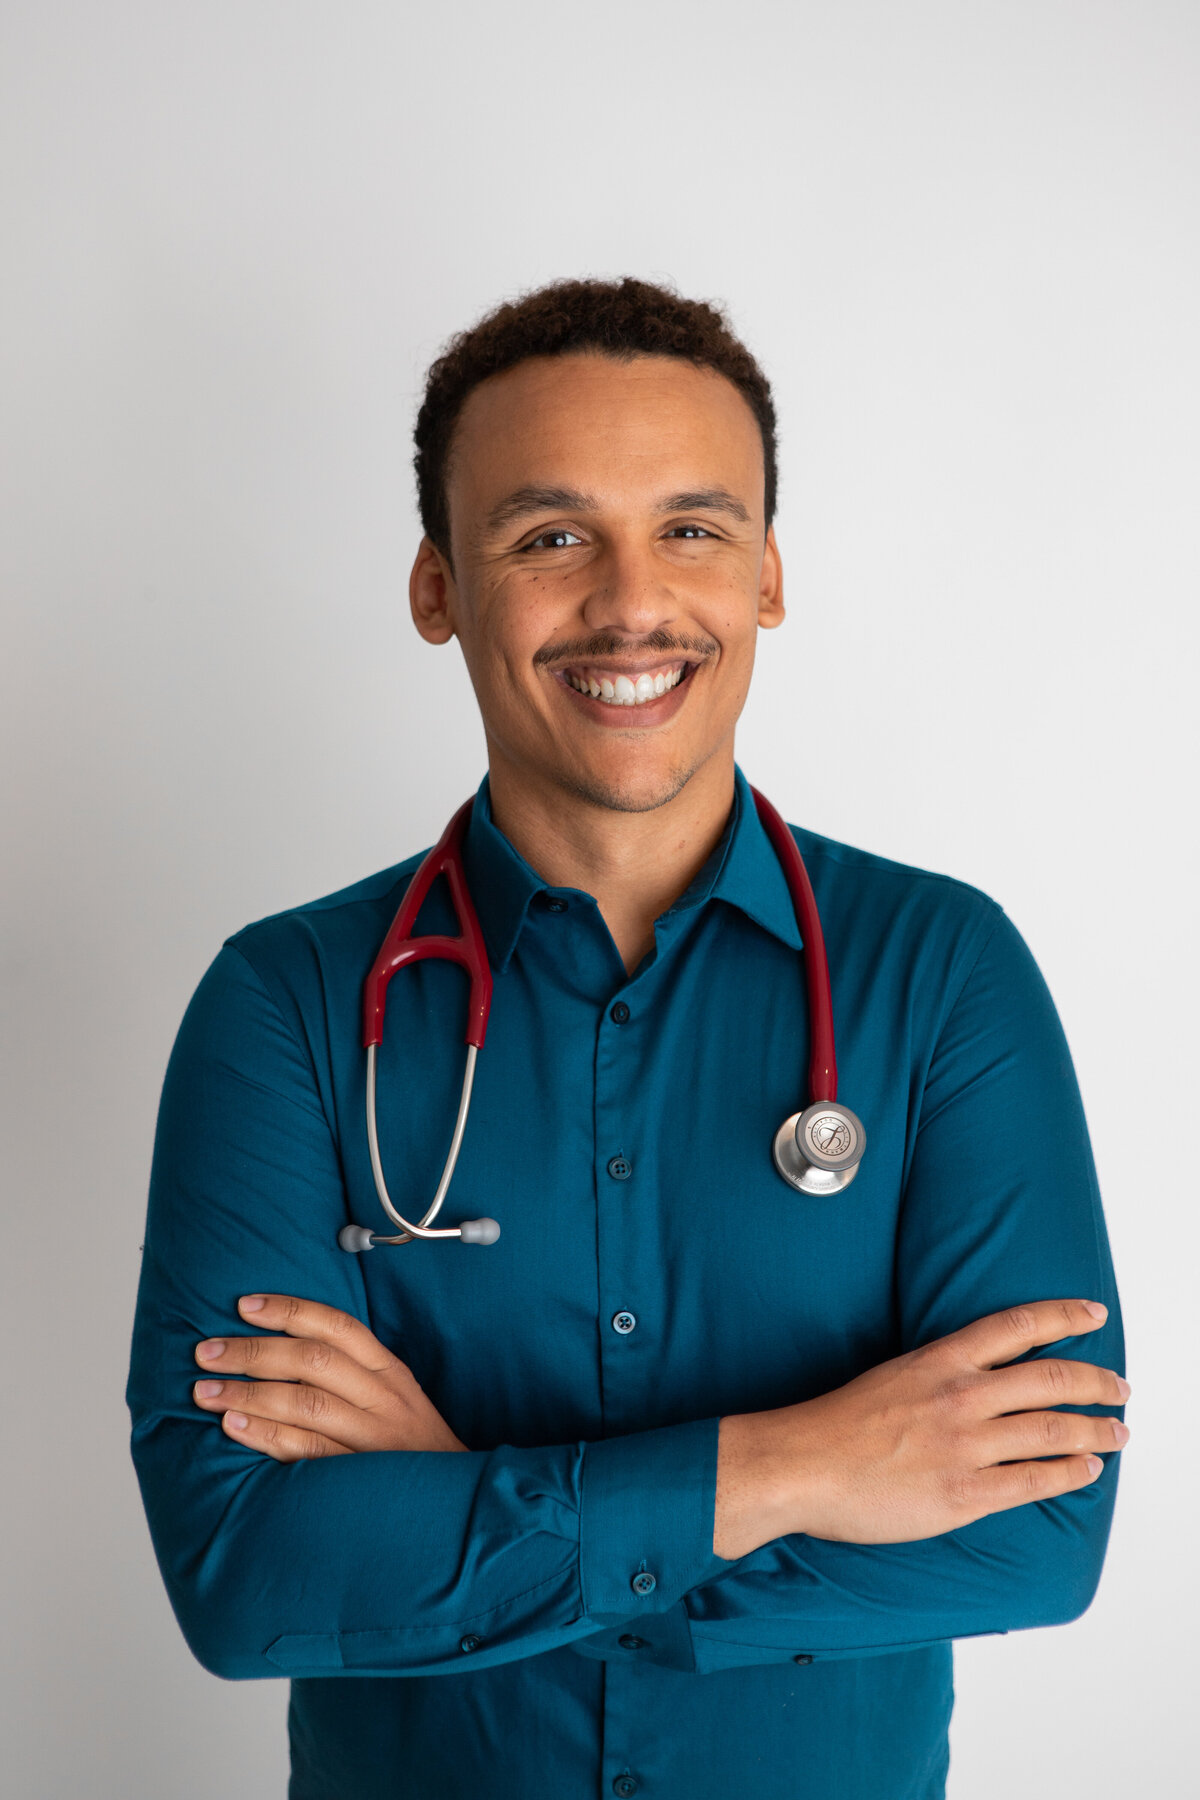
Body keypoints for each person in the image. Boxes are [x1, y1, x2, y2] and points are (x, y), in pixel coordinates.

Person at [127, 277, 1128, 1800]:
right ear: (437, 586)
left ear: (770, 574)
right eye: (549, 537)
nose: (629, 601)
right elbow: (250, 1573)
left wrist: (457, 1508)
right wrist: (810, 1468)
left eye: (692, 528)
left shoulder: (944, 977)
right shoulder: (286, 1007)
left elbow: (1038, 1539)